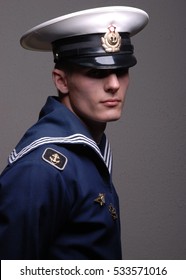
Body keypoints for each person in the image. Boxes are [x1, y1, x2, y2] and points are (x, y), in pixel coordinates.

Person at [0, 6, 149, 259]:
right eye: (96, 72)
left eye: (121, 70)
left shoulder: (87, 150)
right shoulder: (42, 169)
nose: (114, 84)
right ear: (62, 81)